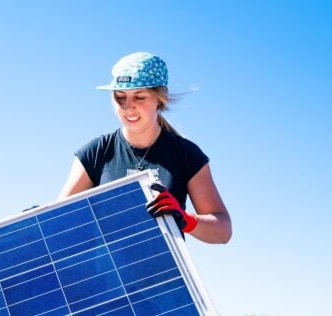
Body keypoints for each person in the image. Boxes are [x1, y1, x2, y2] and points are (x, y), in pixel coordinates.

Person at [59, 52, 231, 243]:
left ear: (160, 98)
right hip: (105, 270)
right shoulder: (95, 153)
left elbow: (223, 231)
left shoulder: (187, 155)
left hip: (166, 272)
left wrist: (186, 219)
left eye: (139, 97)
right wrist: (34, 224)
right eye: (120, 97)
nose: (128, 106)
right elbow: (59, 224)